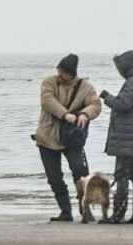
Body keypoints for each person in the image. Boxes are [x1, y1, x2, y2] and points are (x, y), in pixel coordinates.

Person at [33, 53, 102, 222]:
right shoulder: (49, 82)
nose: (60, 74)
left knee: (81, 173)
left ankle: (85, 209)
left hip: (72, 138)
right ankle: (65, 210)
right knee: (54, 177)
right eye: (59, 70)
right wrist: (65, 115)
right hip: (47, 137)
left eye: (63, 71)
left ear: (72, 73)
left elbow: (96, 104)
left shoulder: (85, 87)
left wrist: (86, 114)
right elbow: (47, 101)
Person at [99, 50, 133, 224]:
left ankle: (118, 214)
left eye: (121, 68)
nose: (120, 71)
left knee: (122, 175)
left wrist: (106, 97)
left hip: (127, 138)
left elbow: (123, 104)